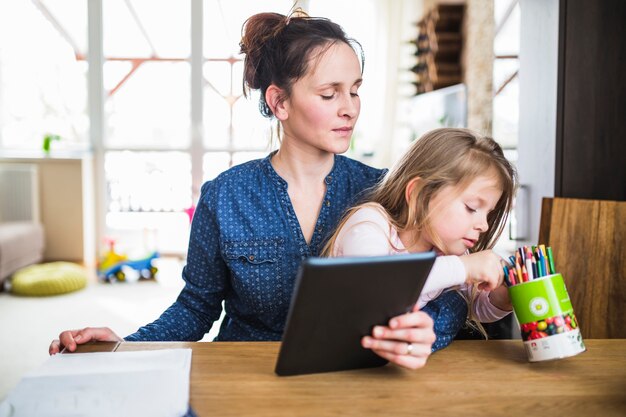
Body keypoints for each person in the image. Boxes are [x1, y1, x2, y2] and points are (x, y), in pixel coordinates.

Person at [49, 10, 468, 370]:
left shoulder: (384, 189)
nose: (350, 107)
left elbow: (455, 293)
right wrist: (124, 344)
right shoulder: (225, 196)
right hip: (242, 375)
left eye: (355, 90)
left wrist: (432, 326)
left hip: (356, 376)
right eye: (329, 93)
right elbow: (196, 308)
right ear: (279, 103)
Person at [323, 128, 518, 356]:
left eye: (488, 214)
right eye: (472, 208)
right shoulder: (371, 224)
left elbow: (476, 306)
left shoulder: (447, 251)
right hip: (336, 362)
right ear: (418, 194)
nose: (483, 225)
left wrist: (501, 298)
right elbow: (376, 292)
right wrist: (463, 268)